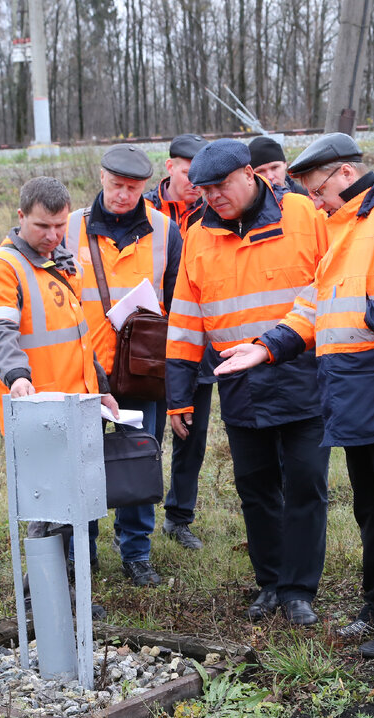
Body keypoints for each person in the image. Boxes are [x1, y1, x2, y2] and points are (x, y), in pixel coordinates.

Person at [215, 133, 374, 658]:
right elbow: (313, 306)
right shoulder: (343, 226)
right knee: (371, 509)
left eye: (318, 191)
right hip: (353, 391)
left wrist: (373, 316)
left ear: (345, 174)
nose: (314, 203)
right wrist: (265, 348)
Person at [166, 138, 331, 625]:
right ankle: (271, 583)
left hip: (303, 376)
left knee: (305, 484)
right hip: (240, 385)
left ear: (249, 173)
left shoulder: (304, 214)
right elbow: (185, 320)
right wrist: (178, 395)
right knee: (255, 489)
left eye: (220, 186)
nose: (212, 196)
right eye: (204, 190)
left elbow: (332, 289)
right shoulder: (198, 234)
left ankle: (299, 590)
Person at [0, 176, 119, 617]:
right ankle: (43, 602)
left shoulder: (61, 263)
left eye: (60, 226)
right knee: (47, 511)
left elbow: (79, 340)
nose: (53, 235)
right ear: (21, 217)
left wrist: (102, 390)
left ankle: (58, 596)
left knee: (71, 511)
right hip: (38, 412)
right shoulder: (3, 268)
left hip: (78, 407)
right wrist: (17, 377)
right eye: (42, 226)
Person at [64, 144, 183, 586]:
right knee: (81, 462)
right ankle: (82, 551)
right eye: (116, 185)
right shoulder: (68, 228)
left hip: (141, 371)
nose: (123, 195)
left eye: (133, 188)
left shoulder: (165, 231)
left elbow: (180, 303)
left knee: (138, 459)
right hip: (82, 372)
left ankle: (137, 552)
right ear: (101, 177)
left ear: (145, 186)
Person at [144, 133, 215, 551]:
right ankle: (135, 520)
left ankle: (178, 517)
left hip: (197, 341)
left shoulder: (214, 212)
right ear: (170, 167)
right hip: (150, 342)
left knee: (192, 433)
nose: (196, 183)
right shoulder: (143, 212)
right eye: (189, 173)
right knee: (146, 433)